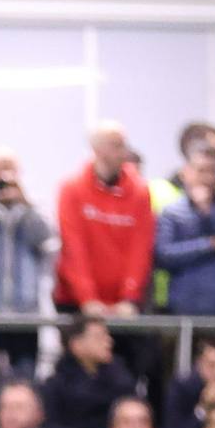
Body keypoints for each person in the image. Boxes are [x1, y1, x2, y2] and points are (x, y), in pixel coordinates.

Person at [55, 121, 152, 312]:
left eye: (123, 145)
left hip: (123, 305)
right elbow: (73, 247)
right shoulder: (72, 189)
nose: (123, 152)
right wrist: (87, 298)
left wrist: (130, 297)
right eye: (116, 145)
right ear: (97, 149)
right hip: (76, 303)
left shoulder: (140, 192)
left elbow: (140, 248)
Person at [151, 143, 215, 317]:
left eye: (212, 171)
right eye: (201, 171)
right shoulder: (173, 212)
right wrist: (209, 245)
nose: (207, 178)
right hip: (182, 308)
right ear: (186, 173)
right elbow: (163, 255)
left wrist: (210, 212)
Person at [0, 154, 55, 315]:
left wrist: (25, 202)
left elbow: (44, 239)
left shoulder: (32, 209)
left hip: (26, 310)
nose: (2, 179)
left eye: (8, 170)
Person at [43, 313, 139, 428]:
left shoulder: (121, 379)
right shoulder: (56, 386)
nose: (109, 341)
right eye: (99, 337)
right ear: (76, 344)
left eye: (107, 335)